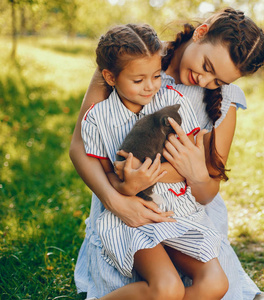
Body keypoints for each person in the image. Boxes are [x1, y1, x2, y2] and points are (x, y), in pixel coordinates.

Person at [71, 7, 264, 300]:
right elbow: (79, 147)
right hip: (126, 204)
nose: (205, 81)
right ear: (200, 32)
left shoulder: (222, 102)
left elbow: (206, 192)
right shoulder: (133, 61)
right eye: (206, 66)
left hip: (185, 212)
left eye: (218, 81)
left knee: (218, 284)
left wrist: (196, 172)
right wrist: (116, 200)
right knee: (164, 287)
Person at [81, 23, 228, 300]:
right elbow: (108, 177)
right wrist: (128, 187)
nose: (150, 87)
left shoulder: (173, 100)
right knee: (167, 288)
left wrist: (154, 174)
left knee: (215, 284)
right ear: (110, 77)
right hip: (134, 217)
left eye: (157, 75)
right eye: (138, 81)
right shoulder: (97, 119)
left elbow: (189, 161)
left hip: (178, 212)